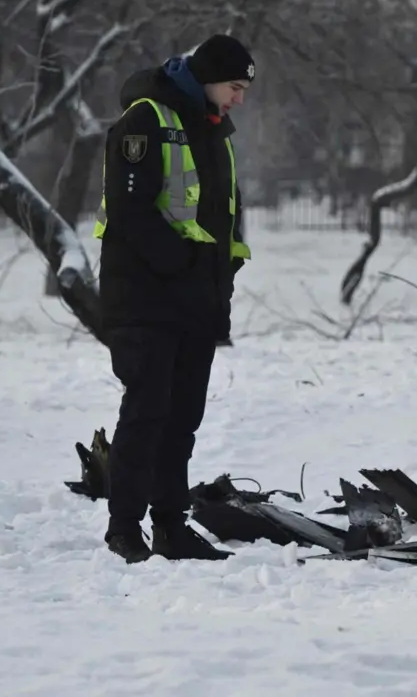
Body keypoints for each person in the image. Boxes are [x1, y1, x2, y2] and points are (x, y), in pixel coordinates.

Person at [91, 34, 255, 564]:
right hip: (144, 302)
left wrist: (218, 289)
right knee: (147, 413)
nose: (239, 99)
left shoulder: (215, 133)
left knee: (182, 418)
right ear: (207, 78)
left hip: (195, 306)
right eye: (234, 86)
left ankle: (170, 526)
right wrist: (186, 273)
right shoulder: (145, 121)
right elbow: (131, 214)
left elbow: (222, 224)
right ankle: (124, 529)